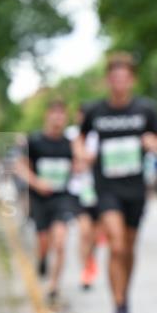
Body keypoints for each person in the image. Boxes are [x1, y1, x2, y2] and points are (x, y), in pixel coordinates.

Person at [74, 52, 157, 313]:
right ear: (107, 80)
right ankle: (117, 306)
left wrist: (154, 143)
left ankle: (125, 297)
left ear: (132, 80)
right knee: (115, 245)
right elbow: (79, 138)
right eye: (114, 78)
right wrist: (83, 154)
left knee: (128, 247)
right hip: (107, 188)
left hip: (135, 189)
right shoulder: (95, 111)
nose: (119, 83)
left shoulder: (145, 110)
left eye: (124, 78)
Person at [18, 100, 77, 307]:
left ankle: (53, 286)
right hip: (40, 199)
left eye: (62, 115)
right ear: (47, 116)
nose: (58, 118)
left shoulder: (70, 143)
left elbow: (79, 164)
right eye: (55, 114)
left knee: (60, 242)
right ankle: (42, 260)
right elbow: (20, 167)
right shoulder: (35, 141)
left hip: (62, 198)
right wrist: (36, 182)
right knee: (43, 243)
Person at [66, 111, 100, 291]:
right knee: (84, 232)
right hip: (78, 190)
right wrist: (74, 164)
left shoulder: (97, 136)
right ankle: (86, 271)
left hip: (98, 191)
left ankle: (90, 260)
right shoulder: (70, 135)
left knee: (95, 236)